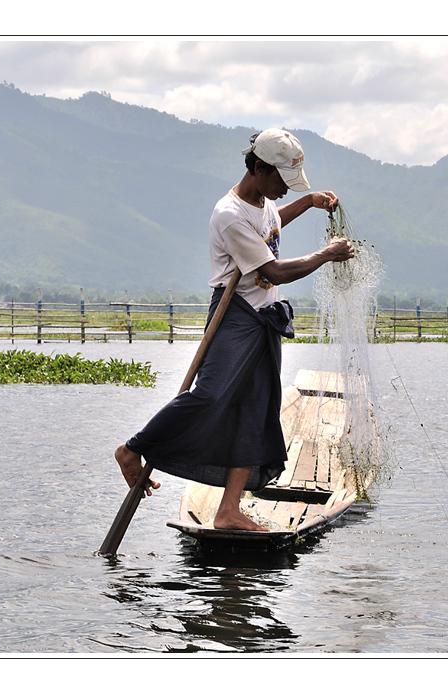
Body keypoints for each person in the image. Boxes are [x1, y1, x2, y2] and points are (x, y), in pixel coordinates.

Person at [114, 128, 354, 531]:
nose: (283, 190)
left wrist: (308, 203)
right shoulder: (229, 215)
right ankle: (131, 449)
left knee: (257, 409)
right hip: (235, 317)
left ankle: (228, 511)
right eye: (281, 181)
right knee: (208, 397)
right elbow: (273, 269)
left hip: (264, 317)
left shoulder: (262, 202)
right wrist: (327, 254)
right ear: (259, 168)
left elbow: (273, 224)